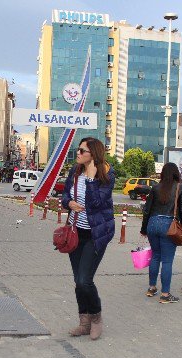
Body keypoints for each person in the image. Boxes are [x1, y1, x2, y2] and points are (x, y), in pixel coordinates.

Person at [61, 137, 115, 340]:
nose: (78, 153)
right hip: (76, 233)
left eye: (82, 150)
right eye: (78, 149)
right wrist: (70, 203)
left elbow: (97, 203)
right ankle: (84, 322)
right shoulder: (75, 174)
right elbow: (65, 196)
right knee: (78, 281)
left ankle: (96, 318)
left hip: (96, 234)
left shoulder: (107, 176)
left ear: (93, 154)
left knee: (85, 280)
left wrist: (91, 180)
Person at [140, 163, 182, 303]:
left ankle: (151, 288)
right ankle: (165, 295)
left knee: (155, 256)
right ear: (176, 174)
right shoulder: (181, 188)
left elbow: (147, 210)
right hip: (168, 225)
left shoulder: (155, 188)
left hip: (152, 224)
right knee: (167, 261)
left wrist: (144, 229)